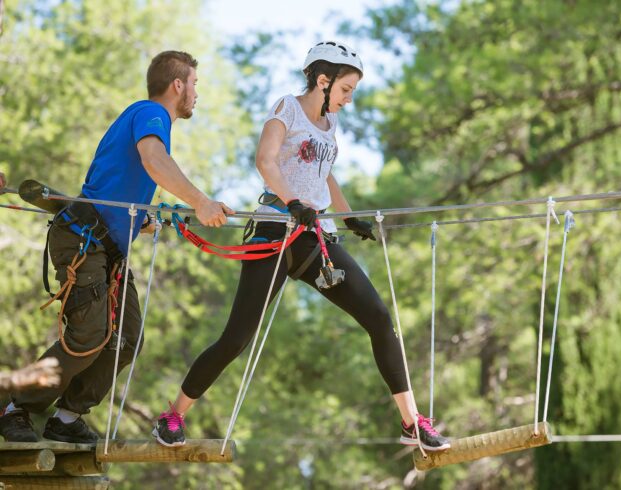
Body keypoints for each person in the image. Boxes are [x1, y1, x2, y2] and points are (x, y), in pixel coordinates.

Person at [153, 41, 450, 452]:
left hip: (315, 239)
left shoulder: (331, 127)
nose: (348, 100)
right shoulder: (286, 110)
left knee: (380, 319)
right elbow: (266, 161)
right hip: (274, 231)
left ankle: (411, 422)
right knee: (236, 338)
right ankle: (173, 416)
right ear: (322, 81)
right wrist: (292, 201)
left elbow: (325, 176)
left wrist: (347, 217)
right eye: (346, 90)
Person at [0, 51, 233, 444]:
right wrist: (200, 200)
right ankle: (13, 406)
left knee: (126, 337)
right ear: (177, 85)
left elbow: (118, 181)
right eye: (194, 84)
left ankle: (68, 418)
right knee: (88, 337)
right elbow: (153, 160)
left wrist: (141, 220)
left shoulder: (147, 120)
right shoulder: (152, 114)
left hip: (106, 246)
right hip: (83, 239)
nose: (196, 93)